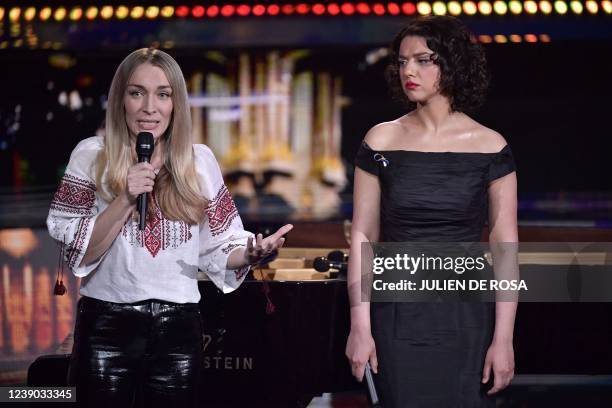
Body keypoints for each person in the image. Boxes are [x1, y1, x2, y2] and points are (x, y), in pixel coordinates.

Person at [47, 48, 292, 408]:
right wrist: (126, 198)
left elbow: (220, 246)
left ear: (176, 103)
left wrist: (251, 253)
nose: (150, 107)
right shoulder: (91, 155)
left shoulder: (199, 162)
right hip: (107, 327)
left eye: (162, 94)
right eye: (137, 93)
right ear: (121, 101)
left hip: (178, 331)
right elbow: (81, 252)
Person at [346, 15, 517, 407]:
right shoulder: (381, 139)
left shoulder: (491, 145)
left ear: (452, 63)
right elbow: (363, 236)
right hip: (396, 316)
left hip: (466, 318)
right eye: (403, 61)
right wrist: (360, 327)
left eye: (423, 60)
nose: (409, 70)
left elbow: (505, 248)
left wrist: (504, 340)